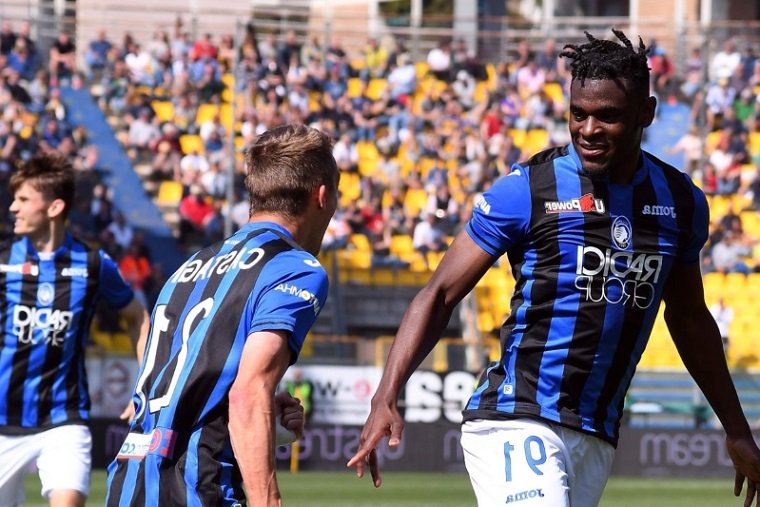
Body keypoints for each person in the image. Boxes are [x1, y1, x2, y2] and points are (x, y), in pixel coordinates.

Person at [347, 29, 760, 507]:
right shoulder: (529, 189)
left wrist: (736, 429)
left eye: (608, 116)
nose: (588, 129)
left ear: (646, 113)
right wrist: (386, 394)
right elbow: (439, 293)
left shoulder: (681, 202)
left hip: (596, 434)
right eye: (578, 114)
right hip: (517, 416)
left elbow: (688, 317)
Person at [106, 124, 340, 506]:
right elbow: (248, 392)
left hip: (126, 486)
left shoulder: (188, 268)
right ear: (322, 196)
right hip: (198, 490)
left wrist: (261, 410)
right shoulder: (295, 268)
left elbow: (181, 386)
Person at [0, 152, 149, 507]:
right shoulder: (4, 261)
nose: (13, 208)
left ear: (54, 208)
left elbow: (138, 318)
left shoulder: (93, 264)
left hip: (64, 418)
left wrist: (144, 385)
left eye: (23, 200)